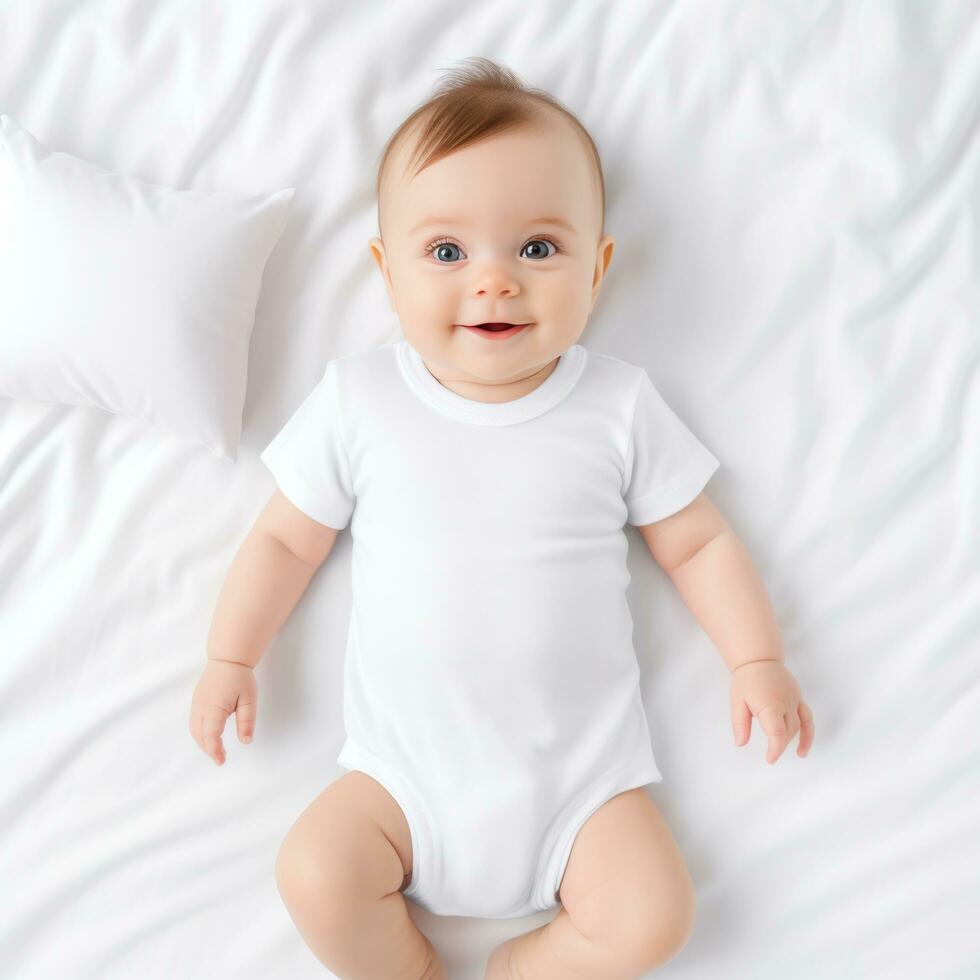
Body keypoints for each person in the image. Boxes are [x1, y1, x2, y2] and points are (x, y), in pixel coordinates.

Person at [189, 56, 814, 980]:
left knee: (653, 917)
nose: (494, 282)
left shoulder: (617, 405)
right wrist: (230, 656)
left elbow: (698, 541)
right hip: (403, 785)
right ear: (387, 274)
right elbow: (286, 537)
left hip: (582, 791)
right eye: (446, 253)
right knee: (316, 873)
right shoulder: (360, 401)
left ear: (598, 269)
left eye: (538, 248)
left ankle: (528, 967)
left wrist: (755, 657)